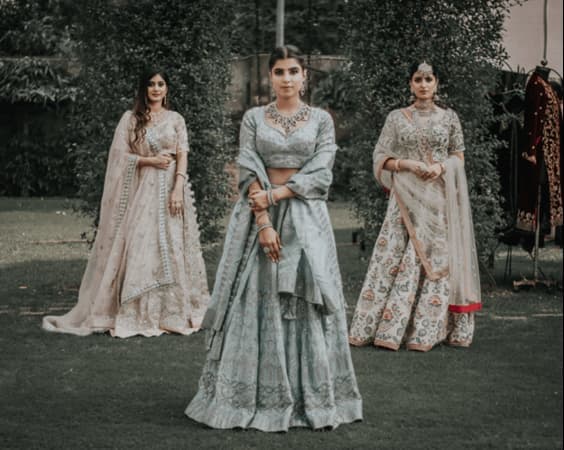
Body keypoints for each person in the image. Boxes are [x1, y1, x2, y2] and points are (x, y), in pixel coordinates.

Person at [185, 45, 362, 431]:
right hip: (255, 219)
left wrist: (279, 194)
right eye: (279, 71)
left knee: (305, 297)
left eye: (293, 71)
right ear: (270, 77)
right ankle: (247, 395)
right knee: (253, 296)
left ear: (304, 77)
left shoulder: (320, 120)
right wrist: (264, 221)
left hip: (305, 217)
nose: (286, 78)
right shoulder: (253, 118)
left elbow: (322, 171)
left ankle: (309, 398)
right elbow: (247, 167)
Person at [42, 69, 210, 337]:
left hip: (171, 189)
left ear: (167, 88)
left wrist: (178, 187)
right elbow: (120, 157)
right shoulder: (131, 120)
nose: (156, 89)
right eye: (151, 84)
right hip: (143, 190)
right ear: (143, 88)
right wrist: (149, 161)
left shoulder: (176, 119)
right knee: (141, 245)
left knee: (174, 244)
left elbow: (182, 155)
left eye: (161, 84)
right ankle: (138, 310)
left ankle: (172, 311)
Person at [348, 61, 482, 352]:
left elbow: (458, 156)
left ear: (437, 83)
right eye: (418, 79)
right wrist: (406, 164)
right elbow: (380, 156)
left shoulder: (450, 118)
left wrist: (440, 168)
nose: (423, 84)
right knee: (395, 256)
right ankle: (387, 327)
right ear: (410, 84)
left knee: (435, 258)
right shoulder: (396, 118)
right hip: (404, 199)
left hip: (438, 198)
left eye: (429, 79)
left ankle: (426, 330)